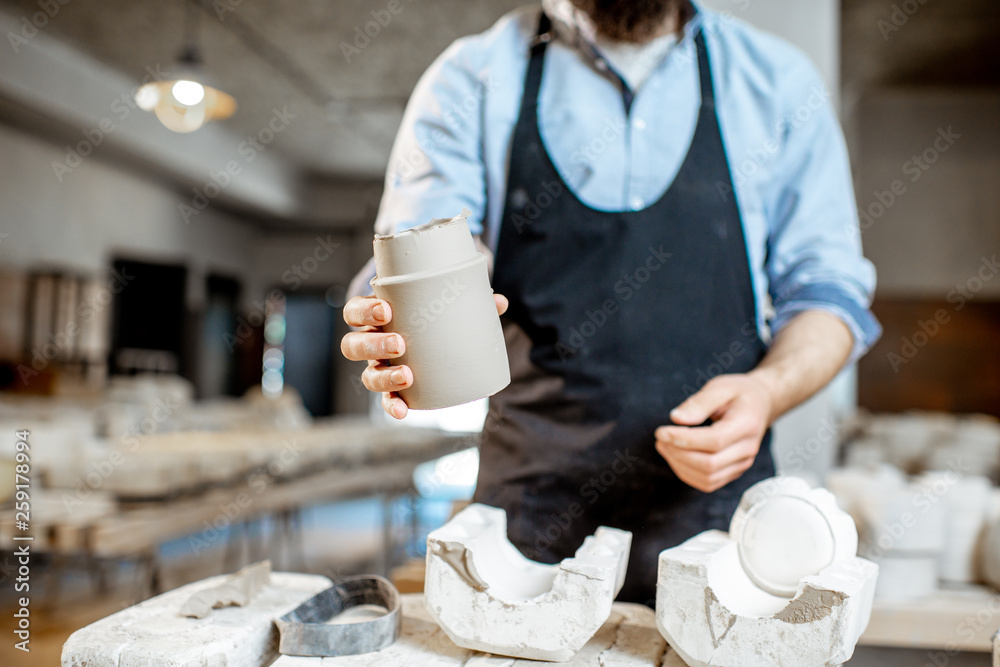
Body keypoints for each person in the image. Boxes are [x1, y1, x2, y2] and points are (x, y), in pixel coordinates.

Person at [341, 0, 880, 605]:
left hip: (720, 531)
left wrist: (768, 391)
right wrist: (401, 324)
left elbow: (828, 294)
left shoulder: (777, 83)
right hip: (526, 524)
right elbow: (428, 260)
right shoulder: (471, 79)